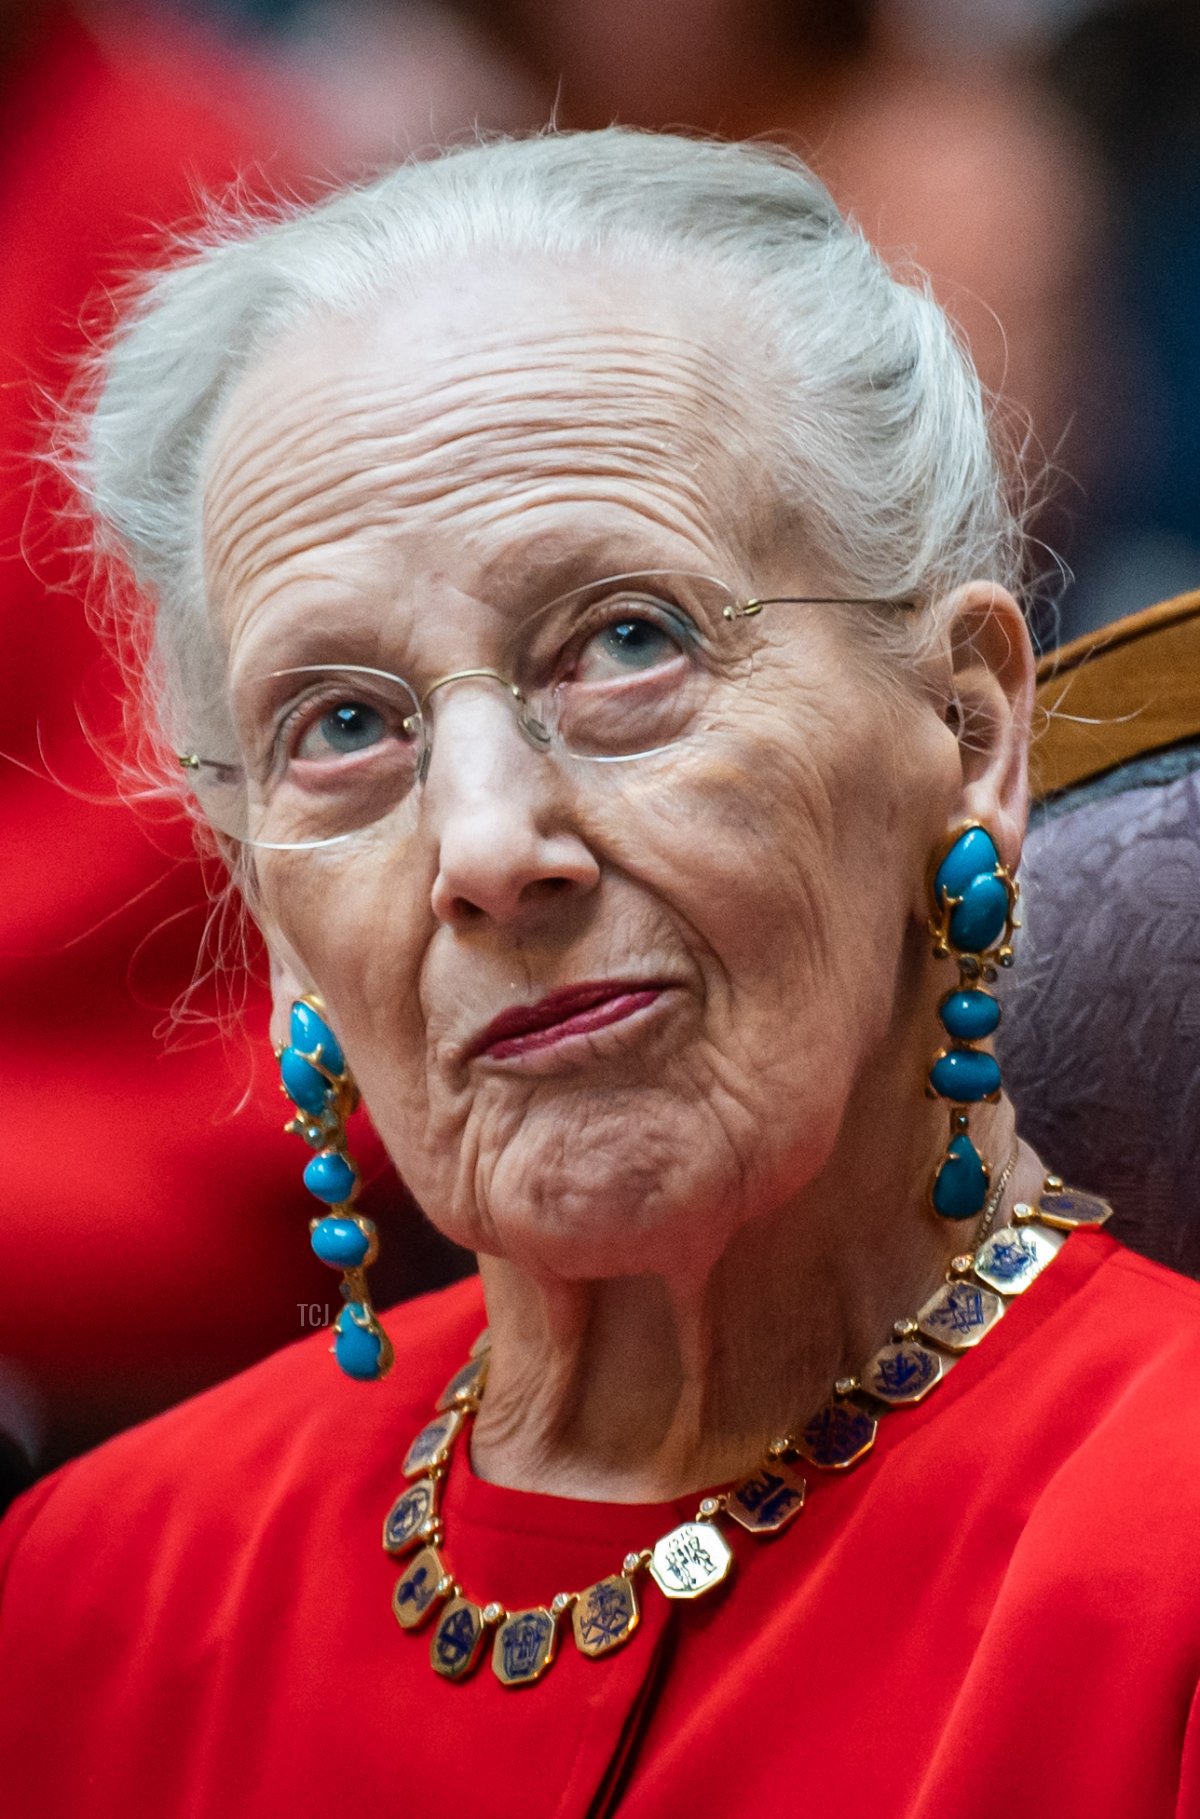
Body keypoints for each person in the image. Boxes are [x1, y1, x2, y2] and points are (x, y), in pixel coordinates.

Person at [1, 129, 1198, 1818]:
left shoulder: (1165, 1565)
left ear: (965, 728)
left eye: (629, 641)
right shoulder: (86, 1601)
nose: (487, 846)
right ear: (266, 902)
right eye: (341, 726)